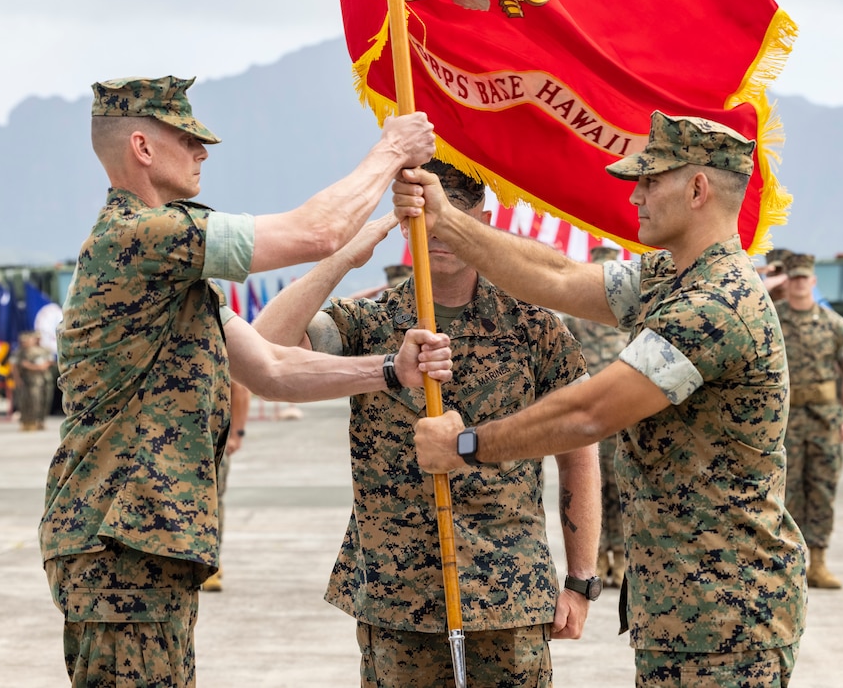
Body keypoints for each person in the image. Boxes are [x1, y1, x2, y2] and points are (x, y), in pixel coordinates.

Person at [39, 75, 450, 688]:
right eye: (187, 139)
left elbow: (272, 368)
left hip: (144, 547)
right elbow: (315, 231)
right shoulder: (142, 236)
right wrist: (390, 150)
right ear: (143, 148)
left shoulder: (169, 274)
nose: (203, 151)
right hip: (119, 546)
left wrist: (390, 371)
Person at [394, 111, 807, 686]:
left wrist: (465, 444)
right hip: (684, 610)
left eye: (650, 181)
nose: (634, 195)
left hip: (725, 618)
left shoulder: (716, 305)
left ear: (697, 189)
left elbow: (590, 412)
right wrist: (449, 222)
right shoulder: (672, 276)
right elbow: (559, 277)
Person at [253, 158, 599, 687]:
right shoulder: (371, 322)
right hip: (397, 598)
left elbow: (578, 447)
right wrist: (344, 256)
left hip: (506, 595)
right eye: (425, 212)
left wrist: (579, 581)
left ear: (480, 221)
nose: (438, 227)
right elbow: (267, 346)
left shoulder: (532, 327)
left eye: (454, 210)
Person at [774, 253, 843, 589]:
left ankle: (819, 562)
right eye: (792, 278)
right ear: (788, 282)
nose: (797, 284)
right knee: (785, 491)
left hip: (824, 420)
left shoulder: (834, 325)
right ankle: (788, 564)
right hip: (785, 419)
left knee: (822, 489)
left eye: (803, 278)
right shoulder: (773, 320)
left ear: (813, 281)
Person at [559, 245, 630, 589]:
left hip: (623, 411)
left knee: (621, 486)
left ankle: (622, 554)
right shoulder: (577, 317)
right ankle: (599, 555)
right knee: (592, 487)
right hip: (590, 411)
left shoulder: (630, 315)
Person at [200, 379, 251, 593]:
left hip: (211, 439)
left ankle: (211, 562)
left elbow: (240, 388)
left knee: (212, 500)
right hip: (190, 439)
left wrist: (237, 434)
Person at [12, 330, 55, 431]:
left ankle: (39, 420)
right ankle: (28, 422)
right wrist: (35, 367)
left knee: (43, 401)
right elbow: (17, 365)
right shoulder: (21, 351)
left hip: (43, 380)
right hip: (28, 381)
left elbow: (50, 362)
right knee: (28, 402)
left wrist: (41, 366)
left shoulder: (44, 350)